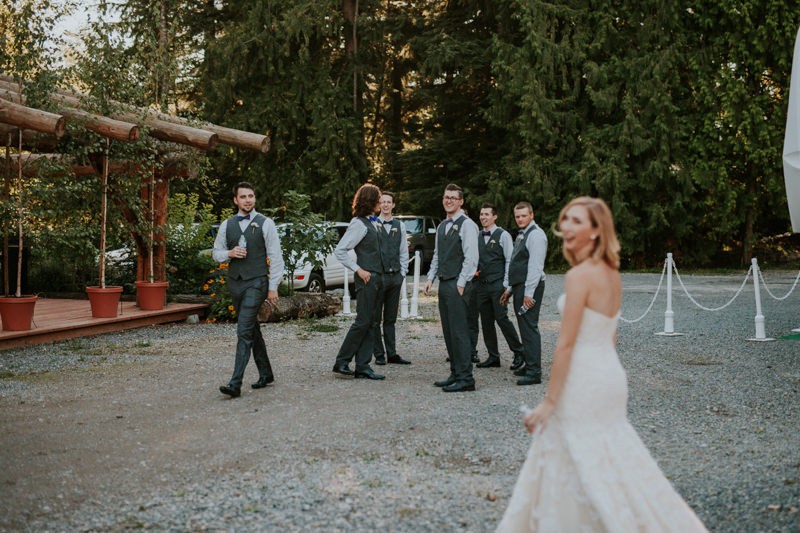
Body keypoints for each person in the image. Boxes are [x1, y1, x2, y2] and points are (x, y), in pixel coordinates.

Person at [496, 197, 707, 532]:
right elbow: (610, 337)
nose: (566, 226)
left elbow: (565, 344)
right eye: (566, 219)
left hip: (585, 377)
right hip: (609, 374)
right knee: (610, 454)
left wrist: (549, 402)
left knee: (581, 456)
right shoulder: (611, 273)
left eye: (577, 221)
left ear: (596, 232)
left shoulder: (580, 275)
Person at [213, 181, 285, 398]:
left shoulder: (266, 223)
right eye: (243, 197)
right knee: (252, 329)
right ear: (236, 200)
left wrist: (273, 287)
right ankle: (266, 373)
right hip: (235, 283)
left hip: (257, 282)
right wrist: (229, 254)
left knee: (243, 331)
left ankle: (235, 384)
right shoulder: (227, 224)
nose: (248, 200)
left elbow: (276, 257)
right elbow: (216, 253)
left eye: (251, 196)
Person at [424, 183, 479, 392]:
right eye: (446, 197)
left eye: (453, 198)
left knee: (459, 332)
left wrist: (461, 283)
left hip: (458, 284)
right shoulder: (442, 226)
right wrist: (430, 278)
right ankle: (455, 373)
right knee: (448, 331)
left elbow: (471, 258)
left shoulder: (467, 225)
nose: (449, 200)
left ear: (461, 201)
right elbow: (438, 255)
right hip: (444, 283)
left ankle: (466, 378)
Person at [331, 183, 386, 380]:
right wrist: (358, 269)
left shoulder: (373, 222)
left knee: (371, 322)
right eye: (378, 199)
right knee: (362, 321)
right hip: (367, 278)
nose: (381, 202)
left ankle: (363, 365)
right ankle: (342, 361)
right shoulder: (358, 224)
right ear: (370, 201)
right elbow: (340, 250)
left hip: (378, 278)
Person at [500, 201, 547, 386]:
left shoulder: (536, 236)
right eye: (517, 216)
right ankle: (529, 365)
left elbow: (535, 267)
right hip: (520, 287)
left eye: (523, 216)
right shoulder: (523, 235)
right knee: (524, 327)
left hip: (531, 288)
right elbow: (518, 265)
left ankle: (534, 372)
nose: (520, 219)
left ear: (531, 215)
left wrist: (529, 293)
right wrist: (510, 289)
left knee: (529, 327)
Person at [474, 203, 525, 370]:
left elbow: (510, 260)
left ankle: (519, 351)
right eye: (481, 214)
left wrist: (506, 285)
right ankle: (493, 356)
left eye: (487, 214)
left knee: (502, 318)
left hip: (497, 285)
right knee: (486, 322)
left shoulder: (503, 235)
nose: (483, 217)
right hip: (481, 285)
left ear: (494, 216)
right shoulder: (478, 235)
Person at [371, 191, 411, 366]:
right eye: (383, 202)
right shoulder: (372, 223)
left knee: (390, 318)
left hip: (395, 277)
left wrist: (403, 273)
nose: (386, 205)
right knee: (375, 319)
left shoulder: (399, 225)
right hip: (379, 278)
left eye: (389, 202)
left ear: (393, 205)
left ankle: (392, 353)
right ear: (379, 204)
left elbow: (403, 250)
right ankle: (379, 355)